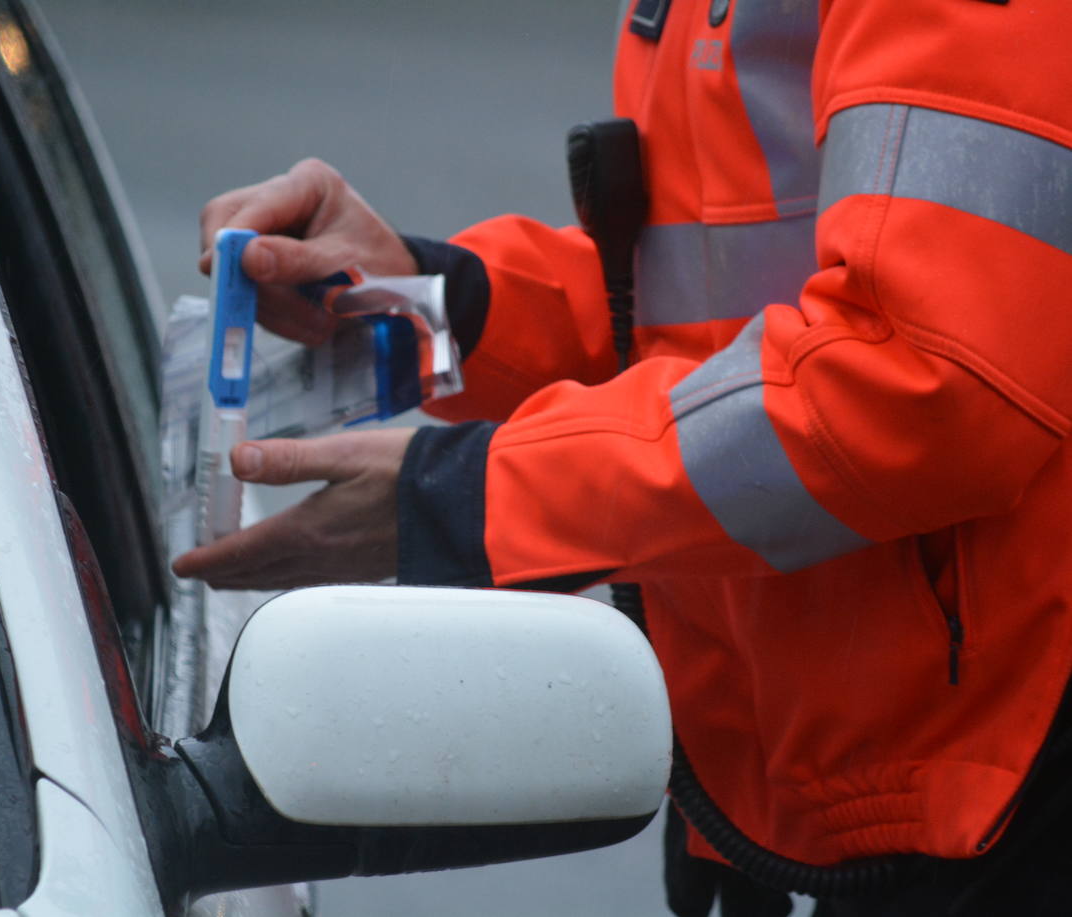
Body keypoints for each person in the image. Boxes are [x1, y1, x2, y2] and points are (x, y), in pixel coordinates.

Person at [173, 1, 1072, 913]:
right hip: (898, 759)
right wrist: (435, 307)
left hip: (1013, 766)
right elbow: (707, 316)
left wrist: (474, 499)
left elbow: (921, 385)